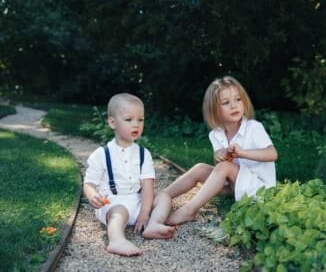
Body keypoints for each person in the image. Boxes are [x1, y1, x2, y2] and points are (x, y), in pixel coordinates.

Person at [163, 76, 278, 225]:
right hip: (236, 185)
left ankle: (188, 211)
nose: (234, 106)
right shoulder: (215, 134)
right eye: (226, 102)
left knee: (225, 167)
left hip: (260, 189)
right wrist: (218, 157)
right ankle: (161, 196)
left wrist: (242, 153)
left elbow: (272, 154)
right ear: (214, 110)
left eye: (238, 100)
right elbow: (221, 171)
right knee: (200, 168)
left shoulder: (253, 128)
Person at [83, 93, 175, 256]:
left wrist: (144, 213)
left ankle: (153, 224)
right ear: (113, 122)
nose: (136, 125)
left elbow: (148, 186)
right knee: (119, 212)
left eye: (140, 120)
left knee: (164, 197)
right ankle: (116, 240)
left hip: (138, 203)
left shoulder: (143, 153)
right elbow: (89, 184)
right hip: (113, 203)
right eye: (129, 120)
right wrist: (92, 196)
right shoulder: (102, 154)